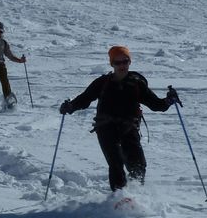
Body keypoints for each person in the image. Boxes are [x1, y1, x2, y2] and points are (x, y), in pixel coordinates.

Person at [59, 45, 179, 192]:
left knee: (138, 163)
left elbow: (156, 105)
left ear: (129, 62)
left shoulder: (136, 84)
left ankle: (136, 193)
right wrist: (70, 107)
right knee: (116, 163)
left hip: (129, 127)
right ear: (112, 64)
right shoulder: (102, 83)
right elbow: (85, 98)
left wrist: (168, 100)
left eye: (125, 61)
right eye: (118, 62)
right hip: (105, 126)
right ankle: (119, 197)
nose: (122, 65)